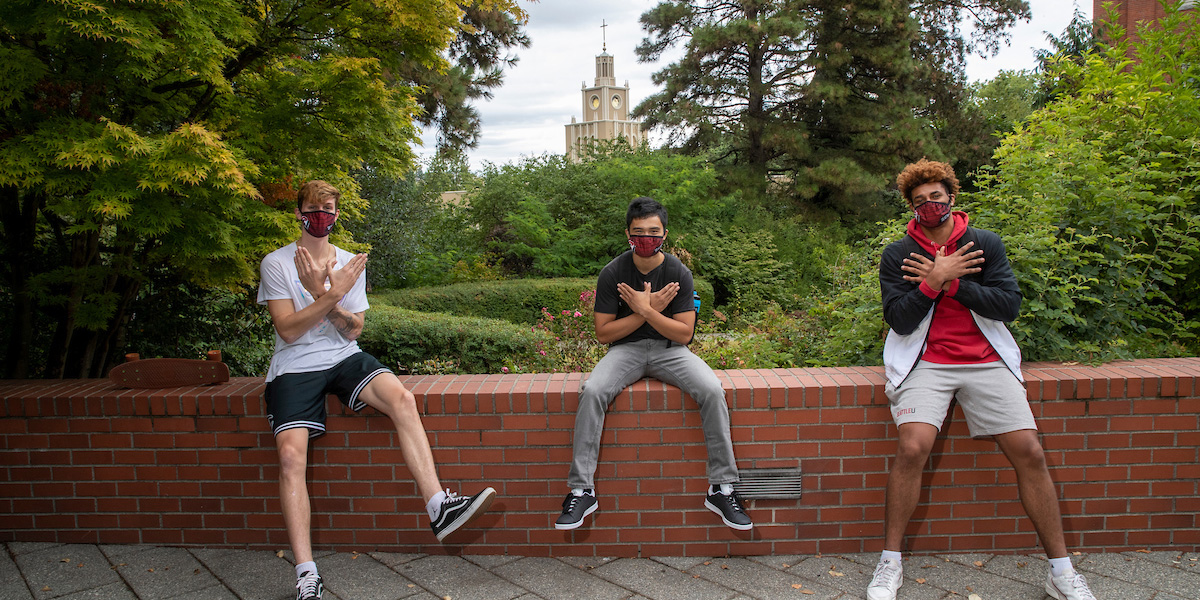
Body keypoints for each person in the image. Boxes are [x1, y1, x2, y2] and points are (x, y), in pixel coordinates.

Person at [867, 160, 1097, 600]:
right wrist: (932, 282)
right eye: (919, 202)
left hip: (986, 360)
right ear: (911, 208)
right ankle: (889, 562)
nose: (929, 206)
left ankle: (1061, 570)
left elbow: (1008, 305)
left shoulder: (984, 244)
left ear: (952, 197)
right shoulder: (898, 254)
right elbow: (898, 319)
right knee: (912, 446)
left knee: (1029, 450)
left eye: (936, 197)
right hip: (925, 362)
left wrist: (954, 285)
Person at [257, 180, 496, 600]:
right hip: (294, 366)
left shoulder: (350, 263)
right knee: (291, 455)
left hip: (343, 356)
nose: (322, 215)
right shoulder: (276, 263)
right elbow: (288, 330)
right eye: (314, 208)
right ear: (299, 213)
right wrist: (329, 295)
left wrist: (324, 295)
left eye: (329, 208)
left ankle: (439, 506)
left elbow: (355, 330)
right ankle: (306, 573)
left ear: (336, 214)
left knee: (402, 398)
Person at [554, 196, 752, 532]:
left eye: (654, 232)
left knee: (712, 390)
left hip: (670, 351)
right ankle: (581, 489)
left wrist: (645, 311)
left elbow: (684, 334)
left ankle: (721, 487)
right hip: (624, 352)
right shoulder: (613, 273)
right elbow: (604, 333)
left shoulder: (678, 272)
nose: (647, 239)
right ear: (628, 233)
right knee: (593, 391)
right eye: (639, 232)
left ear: (665, 233)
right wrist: (644, 312)